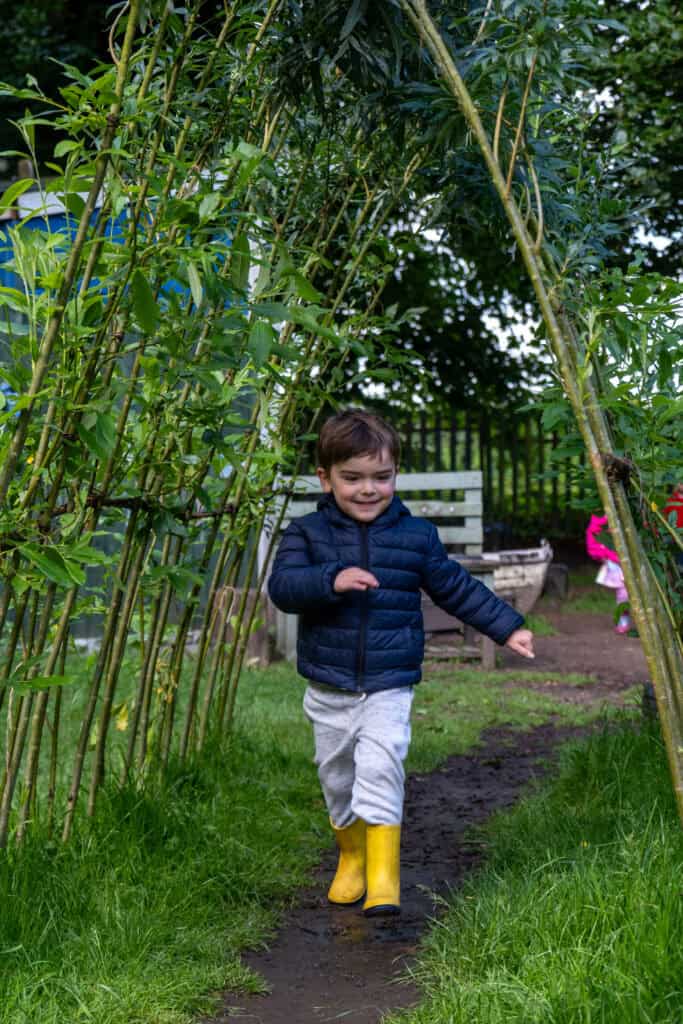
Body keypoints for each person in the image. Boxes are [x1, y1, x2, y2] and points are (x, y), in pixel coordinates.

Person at [267, 409, 535, 917]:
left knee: (381, 764)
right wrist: (332, 580)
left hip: (390, 683)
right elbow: (283, 588)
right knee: (338, 778)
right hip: (329, 683)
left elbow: (456, 588)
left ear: (395, 476)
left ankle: (385, 878)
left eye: (381, 477)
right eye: (352, 478)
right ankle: (352, 858)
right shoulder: (305, 535)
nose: (368, 489)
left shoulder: (416, 537)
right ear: (325, 478)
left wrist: (506, 626)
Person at [585, 512, 632, 633]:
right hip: (616, 565)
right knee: (623, 596)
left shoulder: (627, 513)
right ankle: (624, 621)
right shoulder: (598, 520)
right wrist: (606, 554)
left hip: (633, 561)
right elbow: (593, 545)